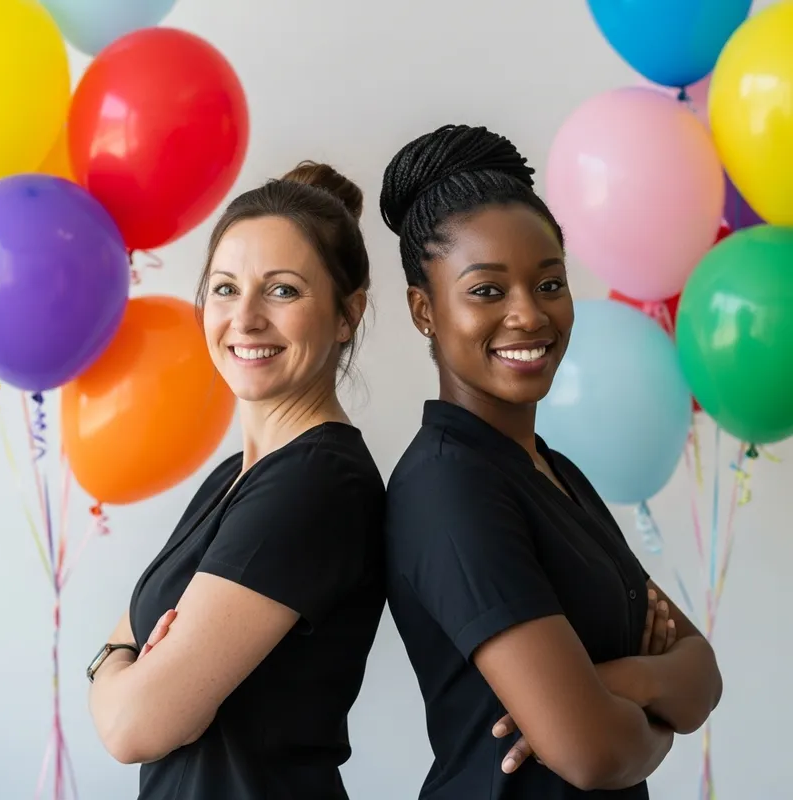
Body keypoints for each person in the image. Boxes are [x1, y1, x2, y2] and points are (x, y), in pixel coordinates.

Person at [379, 124, 723, 799]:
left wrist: (622, 684)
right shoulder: (449, 488)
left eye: (549, 284)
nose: (528, 316)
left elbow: (704, 674)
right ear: (424, 309)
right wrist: (644, 706)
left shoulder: (556, 472)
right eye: (486, 291)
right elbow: (591, 753)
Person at [85, 162, 386, 800]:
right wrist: (128, 662)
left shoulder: (315, 483)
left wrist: (131, 666)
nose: (244, 319)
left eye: (282, 291)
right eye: (225, 288)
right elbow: (123, 650)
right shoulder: (236, 476)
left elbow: (133, 727)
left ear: (346, 315)